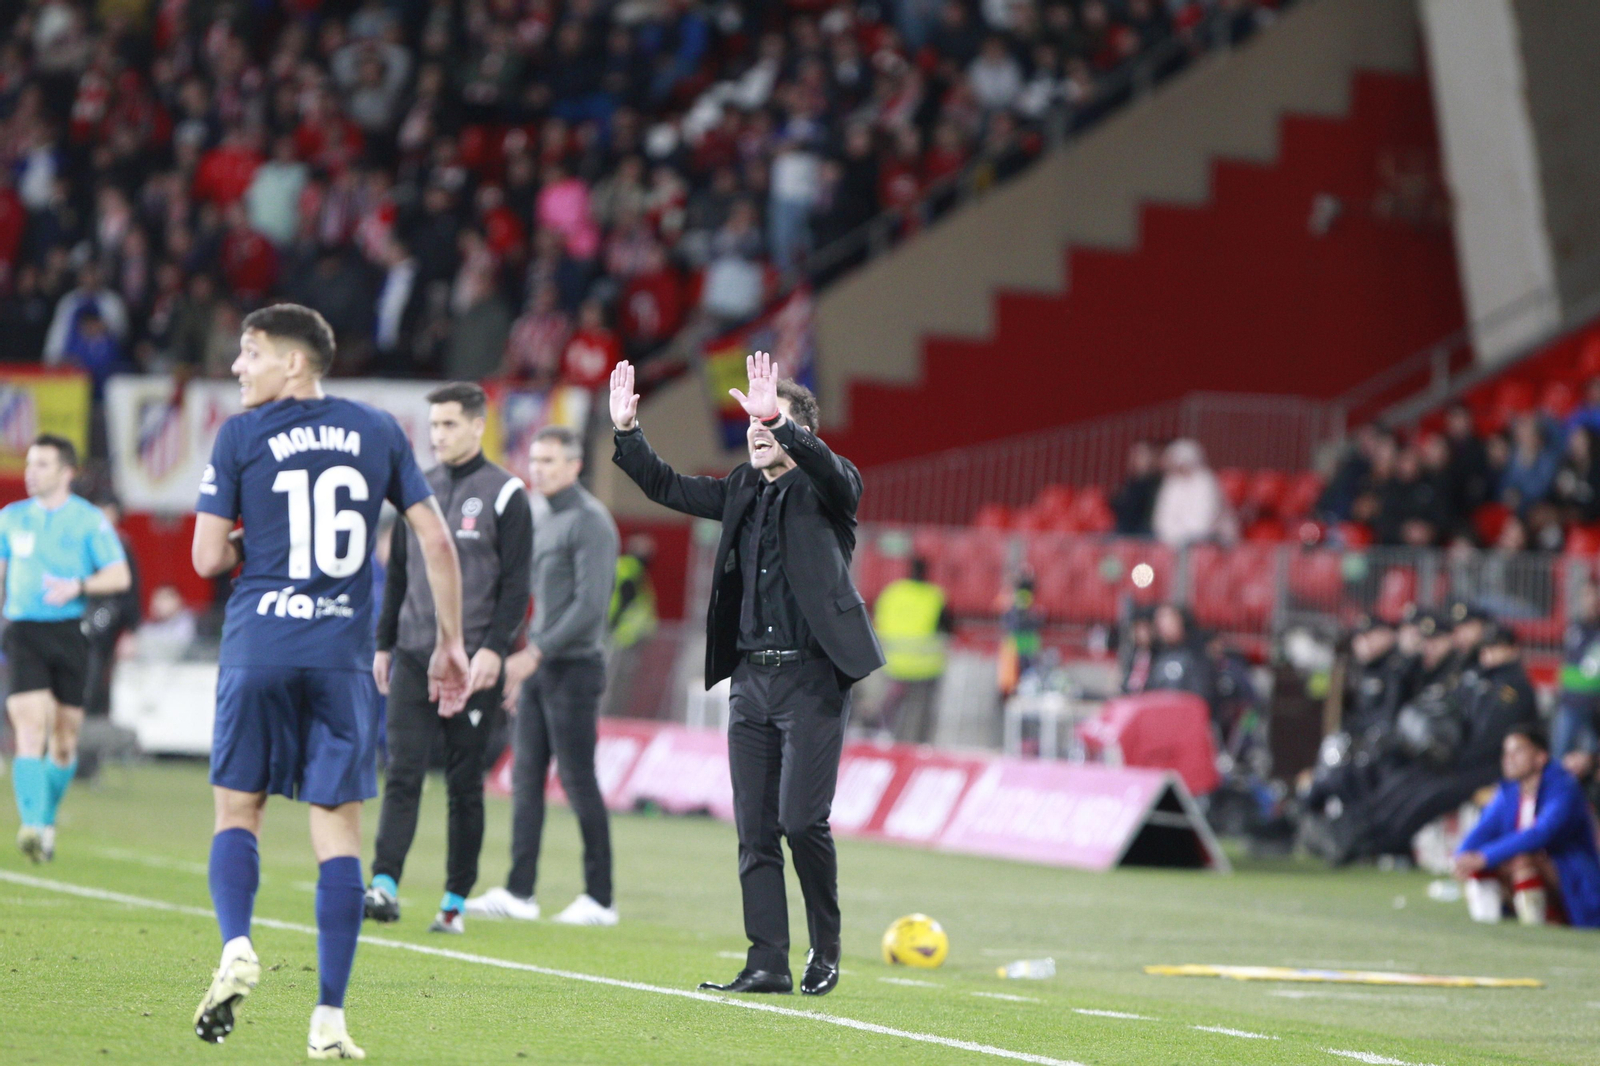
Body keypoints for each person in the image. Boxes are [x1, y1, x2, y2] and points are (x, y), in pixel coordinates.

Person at [188, 304, 470, 1059]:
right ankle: (329, 1019)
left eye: (251, 352)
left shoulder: (241, 435)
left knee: (237, 812)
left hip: (259, 647)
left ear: (294, 362)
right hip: (341, 657)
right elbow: (436, 541)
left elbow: (206, 558)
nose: (238, 366)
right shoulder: (378, 429)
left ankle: (237, 945)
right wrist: (451, 643)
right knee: (338, 832)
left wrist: (255, 539)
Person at [609, 352, 884, 997]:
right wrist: (627, 432)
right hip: (751, 684)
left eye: (770, 421)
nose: (757, 430)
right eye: (754, 423)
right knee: (755, 832)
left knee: (802, 822)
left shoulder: (828, 487)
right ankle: (766, 963)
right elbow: (668, 487)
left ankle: (825, 946)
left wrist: (781, 423)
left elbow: (835, 473)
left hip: (812, 680)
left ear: (800, 431)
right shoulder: (741, 487)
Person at [366, 382, 533, 935]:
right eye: (434, 425)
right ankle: (384, 884)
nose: (438, 435)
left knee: (464, 785)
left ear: (477, 425)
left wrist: (494, 650)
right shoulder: (416, 489)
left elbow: (517, 586)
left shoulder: (506, 494)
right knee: (402, 771)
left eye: (449, 424)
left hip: (474, 663)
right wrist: (384, 643)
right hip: (414, 653)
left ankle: (454, 901)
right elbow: (398, 574)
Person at [467, 425, 621, 926]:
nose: (538, 470)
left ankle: (600, 899)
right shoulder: (536, 514)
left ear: (575, 466)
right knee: (526, 777)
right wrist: (524, 658)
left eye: (550, 461)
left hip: (575, 668)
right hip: (538, 665)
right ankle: (520, 891)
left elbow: (590, 607)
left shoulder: (591, 522)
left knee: (577, 780)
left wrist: (534, 653)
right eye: (534, 460)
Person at [2, 434, 132, 862]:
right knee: (29, 728)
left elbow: (119, 576)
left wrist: (78, 585)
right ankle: (31, 826)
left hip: (69, 633)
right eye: (30, 463)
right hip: (23, 630)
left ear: (66, 472)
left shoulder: (89, 521)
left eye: (42, 464)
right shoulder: (12, 518)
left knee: (63, 741)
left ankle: (46, 821)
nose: (31, 472)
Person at [1454, 726, 1600, 928]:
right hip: (1531, 878)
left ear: (1540, 757)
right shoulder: (1508, 792)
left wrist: (1484, 857)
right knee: (1484, 865)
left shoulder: (1564, 788)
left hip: (1574, 878)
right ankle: (1488, 926)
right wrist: (1462, 856)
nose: (1509, 758)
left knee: (1521, 860)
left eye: (1518, 751)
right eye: (1506, 752)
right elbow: (1483, 830)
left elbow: (1541, 834)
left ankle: (1542, 925)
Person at [873, 557, 953, 744]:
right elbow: (947, 629)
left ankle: (885, 740)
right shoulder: (934, 596)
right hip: (925, 667)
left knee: (891, 709)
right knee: (921, 713)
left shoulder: (891, 593)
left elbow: (877, 623)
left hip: (892, 664)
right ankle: (919, 745)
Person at [82, 496, 140, 719]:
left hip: (105, 621)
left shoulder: (121, 544)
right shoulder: (84, 543)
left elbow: (132, 591)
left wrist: (131, 631)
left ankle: (93, 725)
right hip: (78, 616)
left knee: (96, 676)